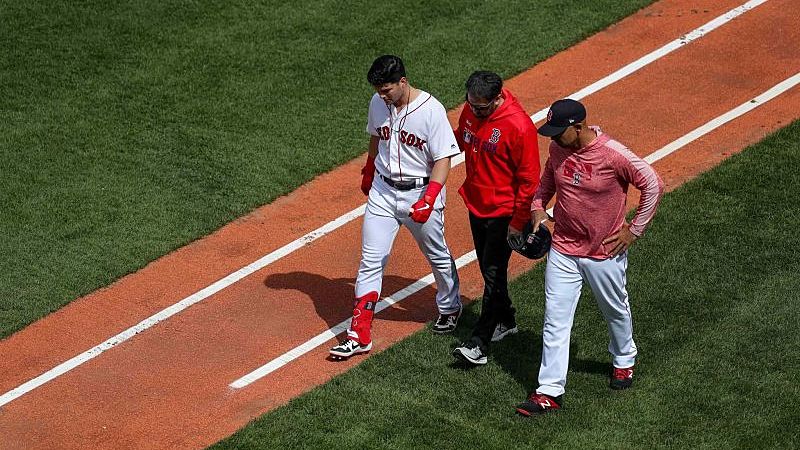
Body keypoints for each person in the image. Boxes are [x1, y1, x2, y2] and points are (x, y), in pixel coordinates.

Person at [516, 99, 664, 416]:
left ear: (579, 127)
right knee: (555, 320)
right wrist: (538, 209)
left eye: (559, 132)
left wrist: (634, 231)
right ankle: (549, 390)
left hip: (604, 251)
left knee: (614, 309)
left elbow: (652, 183)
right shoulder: (558, 149)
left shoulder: (613, 154)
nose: (554, 139)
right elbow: (545, 185)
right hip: (564, 249)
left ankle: (624, 358)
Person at [329, 55, 463, 360]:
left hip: (421, 191)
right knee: (370, 259)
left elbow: (443, 158)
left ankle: (450, 305)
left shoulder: (432, 110)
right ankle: (358, 333)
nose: (382, 95)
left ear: (402, 82)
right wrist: (367, 169)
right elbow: (376, 137)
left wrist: (430, 197)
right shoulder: (378, 103)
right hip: (383, 191)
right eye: (378, 90)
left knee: (436, 254)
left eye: (387, 89)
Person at [450, 71, 540, 365]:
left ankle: (479, 343)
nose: (474, 111)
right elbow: (460, 140)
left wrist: (518, 221)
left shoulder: (518, 126)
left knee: (492, 273)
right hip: (476, 204)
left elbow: (529, 180)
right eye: (471, 105)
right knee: (489, 269)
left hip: (503, 213)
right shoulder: (471, 108)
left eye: (481, 108)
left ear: (498, 97)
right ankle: (507, 320)